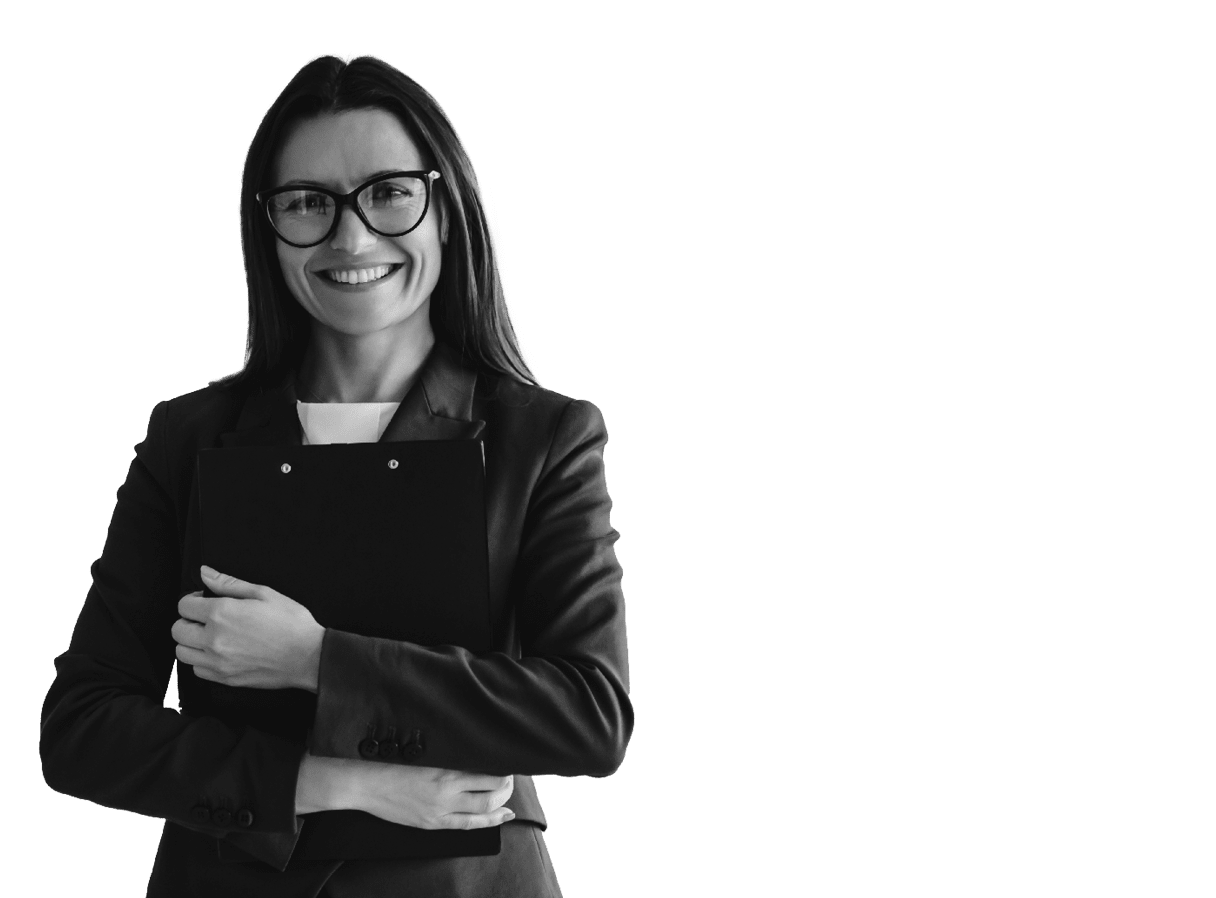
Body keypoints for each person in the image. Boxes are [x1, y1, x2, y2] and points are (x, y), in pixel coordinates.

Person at [39, 53, 632, 898]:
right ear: (269, 228)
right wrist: (327, 783)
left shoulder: (543, 438)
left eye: (389, 191)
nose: (351, 238)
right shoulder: (191, 438)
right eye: (309, 203)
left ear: (446, 208)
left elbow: (588, 716)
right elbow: (82, 729)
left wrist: (319, 659)